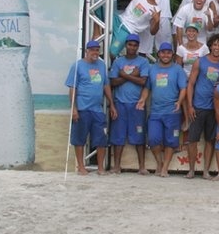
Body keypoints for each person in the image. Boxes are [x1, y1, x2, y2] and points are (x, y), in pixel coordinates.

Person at [66, 40, 117, 176]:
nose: (95, 52)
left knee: (101, 139)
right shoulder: (77, 66)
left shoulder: (101, 65)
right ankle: (81, 167)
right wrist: (74, 109)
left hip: (97, 110)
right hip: (82, 109)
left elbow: (106, 86)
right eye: (93, 50)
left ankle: (100, 168)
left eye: (97, 50)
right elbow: (73, 88)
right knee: (80, 139)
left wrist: (111, 104)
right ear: (86, 51)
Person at [137, 42, 187, 177]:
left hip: (173, 111)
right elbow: (147, 88)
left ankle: (165, 168)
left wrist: (179, 102)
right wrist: (142, 99)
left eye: (169, 53)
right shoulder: (152, 69)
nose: (166, 55)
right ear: (158, 54)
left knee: (171, 141)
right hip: (155, 112)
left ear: (172, 54)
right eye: (163, 52)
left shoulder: (178, 70)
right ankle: (159, 163)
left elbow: (183, 88)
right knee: (153, 139)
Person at [184, 34, 219, 179]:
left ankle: (205, 171)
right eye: (214, 45)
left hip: (215, 109)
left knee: (210, 140)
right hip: (198, 106)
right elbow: (190, 84)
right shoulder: (200, 62)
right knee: (193, 140)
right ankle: (191, 170)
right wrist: (190, 105)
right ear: (210, 46)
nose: (217, 48)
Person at [108, 34, 150, 174]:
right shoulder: (118, 61)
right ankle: (116, 166)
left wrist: (124, 75)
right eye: (130, 44)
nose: (132, 47)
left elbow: (143, 81)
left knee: (139, 135)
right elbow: (113, 82)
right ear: (126, 45)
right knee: (118, 136)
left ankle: (142, 167)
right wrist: (134, 75)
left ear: (138, 47)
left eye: (135, 45)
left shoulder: (143, 62)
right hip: (120, 103)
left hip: (137, 104)